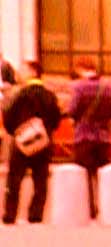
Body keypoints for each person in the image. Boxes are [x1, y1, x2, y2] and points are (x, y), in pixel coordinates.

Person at [3, 60, 61, 225]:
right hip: (43, 143)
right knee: (40, 180)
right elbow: (56, 118)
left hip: (21, 143)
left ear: (33, 72)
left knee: (14, 179)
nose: (19, 73)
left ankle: (10, 215)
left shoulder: (21, 94)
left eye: (24, 70)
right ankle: (35, 215)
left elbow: (8, 116)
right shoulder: (49, 95)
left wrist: (16, 132)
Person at [67, 58, 111, 219]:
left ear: (81, 69)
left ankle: (90, 209)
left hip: (84, 135)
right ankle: (108, 207)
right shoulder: (108, 87)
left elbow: (72, 110)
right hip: (104, 136)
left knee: (85, 174)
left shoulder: (78, 87)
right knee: (103, 174)